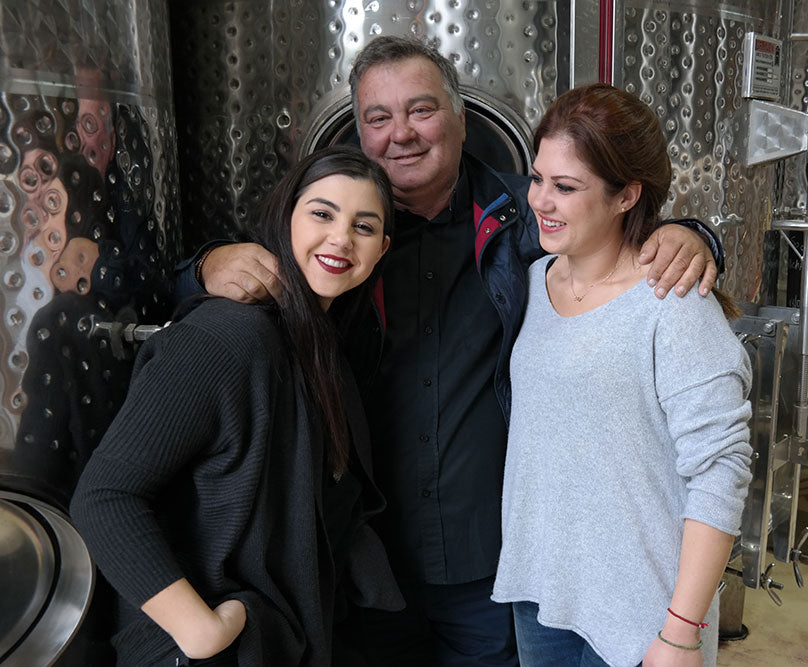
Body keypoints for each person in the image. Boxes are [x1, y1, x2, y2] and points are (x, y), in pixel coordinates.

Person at [184, 36, 724, 665]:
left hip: (489, 566)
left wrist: (693, 234)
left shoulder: (526, 218)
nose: (401, 134)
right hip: (364, 557)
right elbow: (245, 279)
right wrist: (204, 265)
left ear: (462, 117)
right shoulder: (333, 236)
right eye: (378, 118)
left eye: (421, 110)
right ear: (358, 132)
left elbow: (611, 231)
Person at [70, 146, 403, 666]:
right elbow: (104, 497)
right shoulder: (228, 336)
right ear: (285, 218)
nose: (341, 238)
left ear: (381, 249)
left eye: (363, 226)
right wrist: (201, 632)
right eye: (322, 213)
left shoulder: (321, 343)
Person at [491, 83, 752, 667]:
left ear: (626, 195)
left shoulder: (673, 304)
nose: (540, 201)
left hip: (643, 612)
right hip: (542, 593)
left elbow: (721, 470)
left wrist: (682, 631)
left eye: (566, 187)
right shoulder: (529, 285)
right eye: (537, 179)